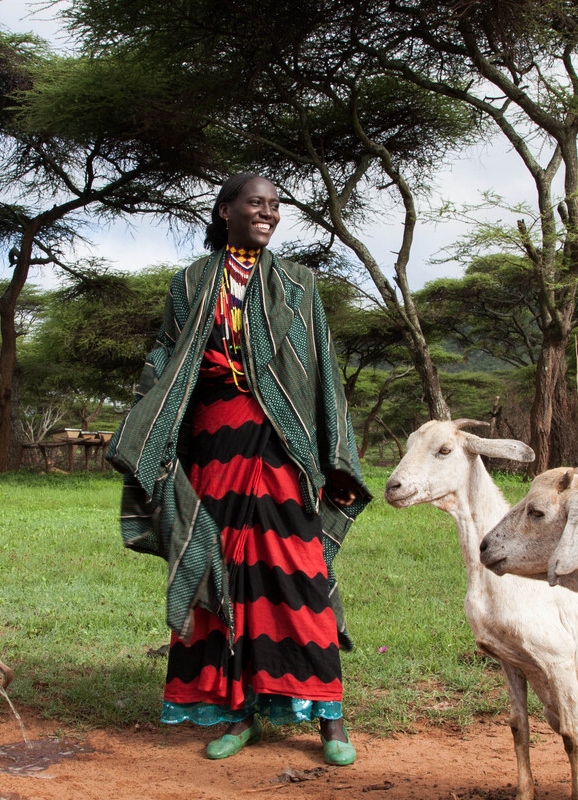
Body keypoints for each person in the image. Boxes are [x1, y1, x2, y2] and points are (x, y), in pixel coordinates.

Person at [107, 173, 370, 765]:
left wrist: (333, 454)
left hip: (282, 445)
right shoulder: (192, 282)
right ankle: (237, 712)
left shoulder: (300, 285)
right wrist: (152, 403)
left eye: (275, 207)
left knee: (297, 572)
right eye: (256, 203)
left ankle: (330, 717)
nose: (269, 214)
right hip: (211, 445)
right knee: (223, 571)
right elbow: (166, 352)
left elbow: (320, 367)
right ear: (226, 210)